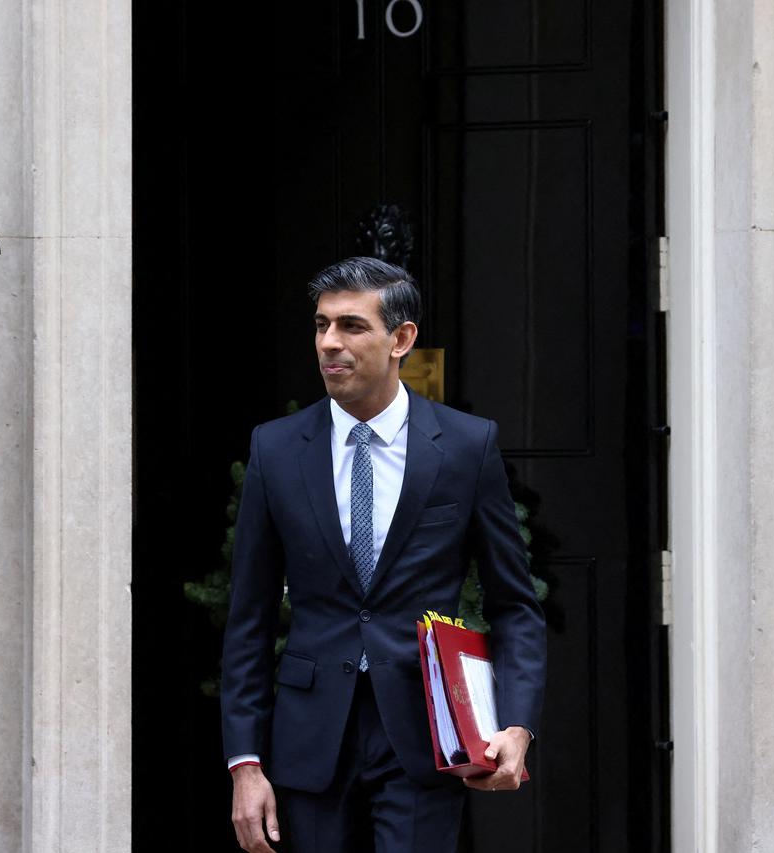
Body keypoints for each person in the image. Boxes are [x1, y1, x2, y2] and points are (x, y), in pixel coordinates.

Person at [221, 257, 548, 853]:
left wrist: (517, 725)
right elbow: (249, 615)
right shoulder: (276, 449)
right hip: (309, 742)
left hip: (426, 737)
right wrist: (245, 763)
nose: (329, 343)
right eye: (321, 326)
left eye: (351, 326)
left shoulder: (467, 447)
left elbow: (515, 605)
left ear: (401, 339)